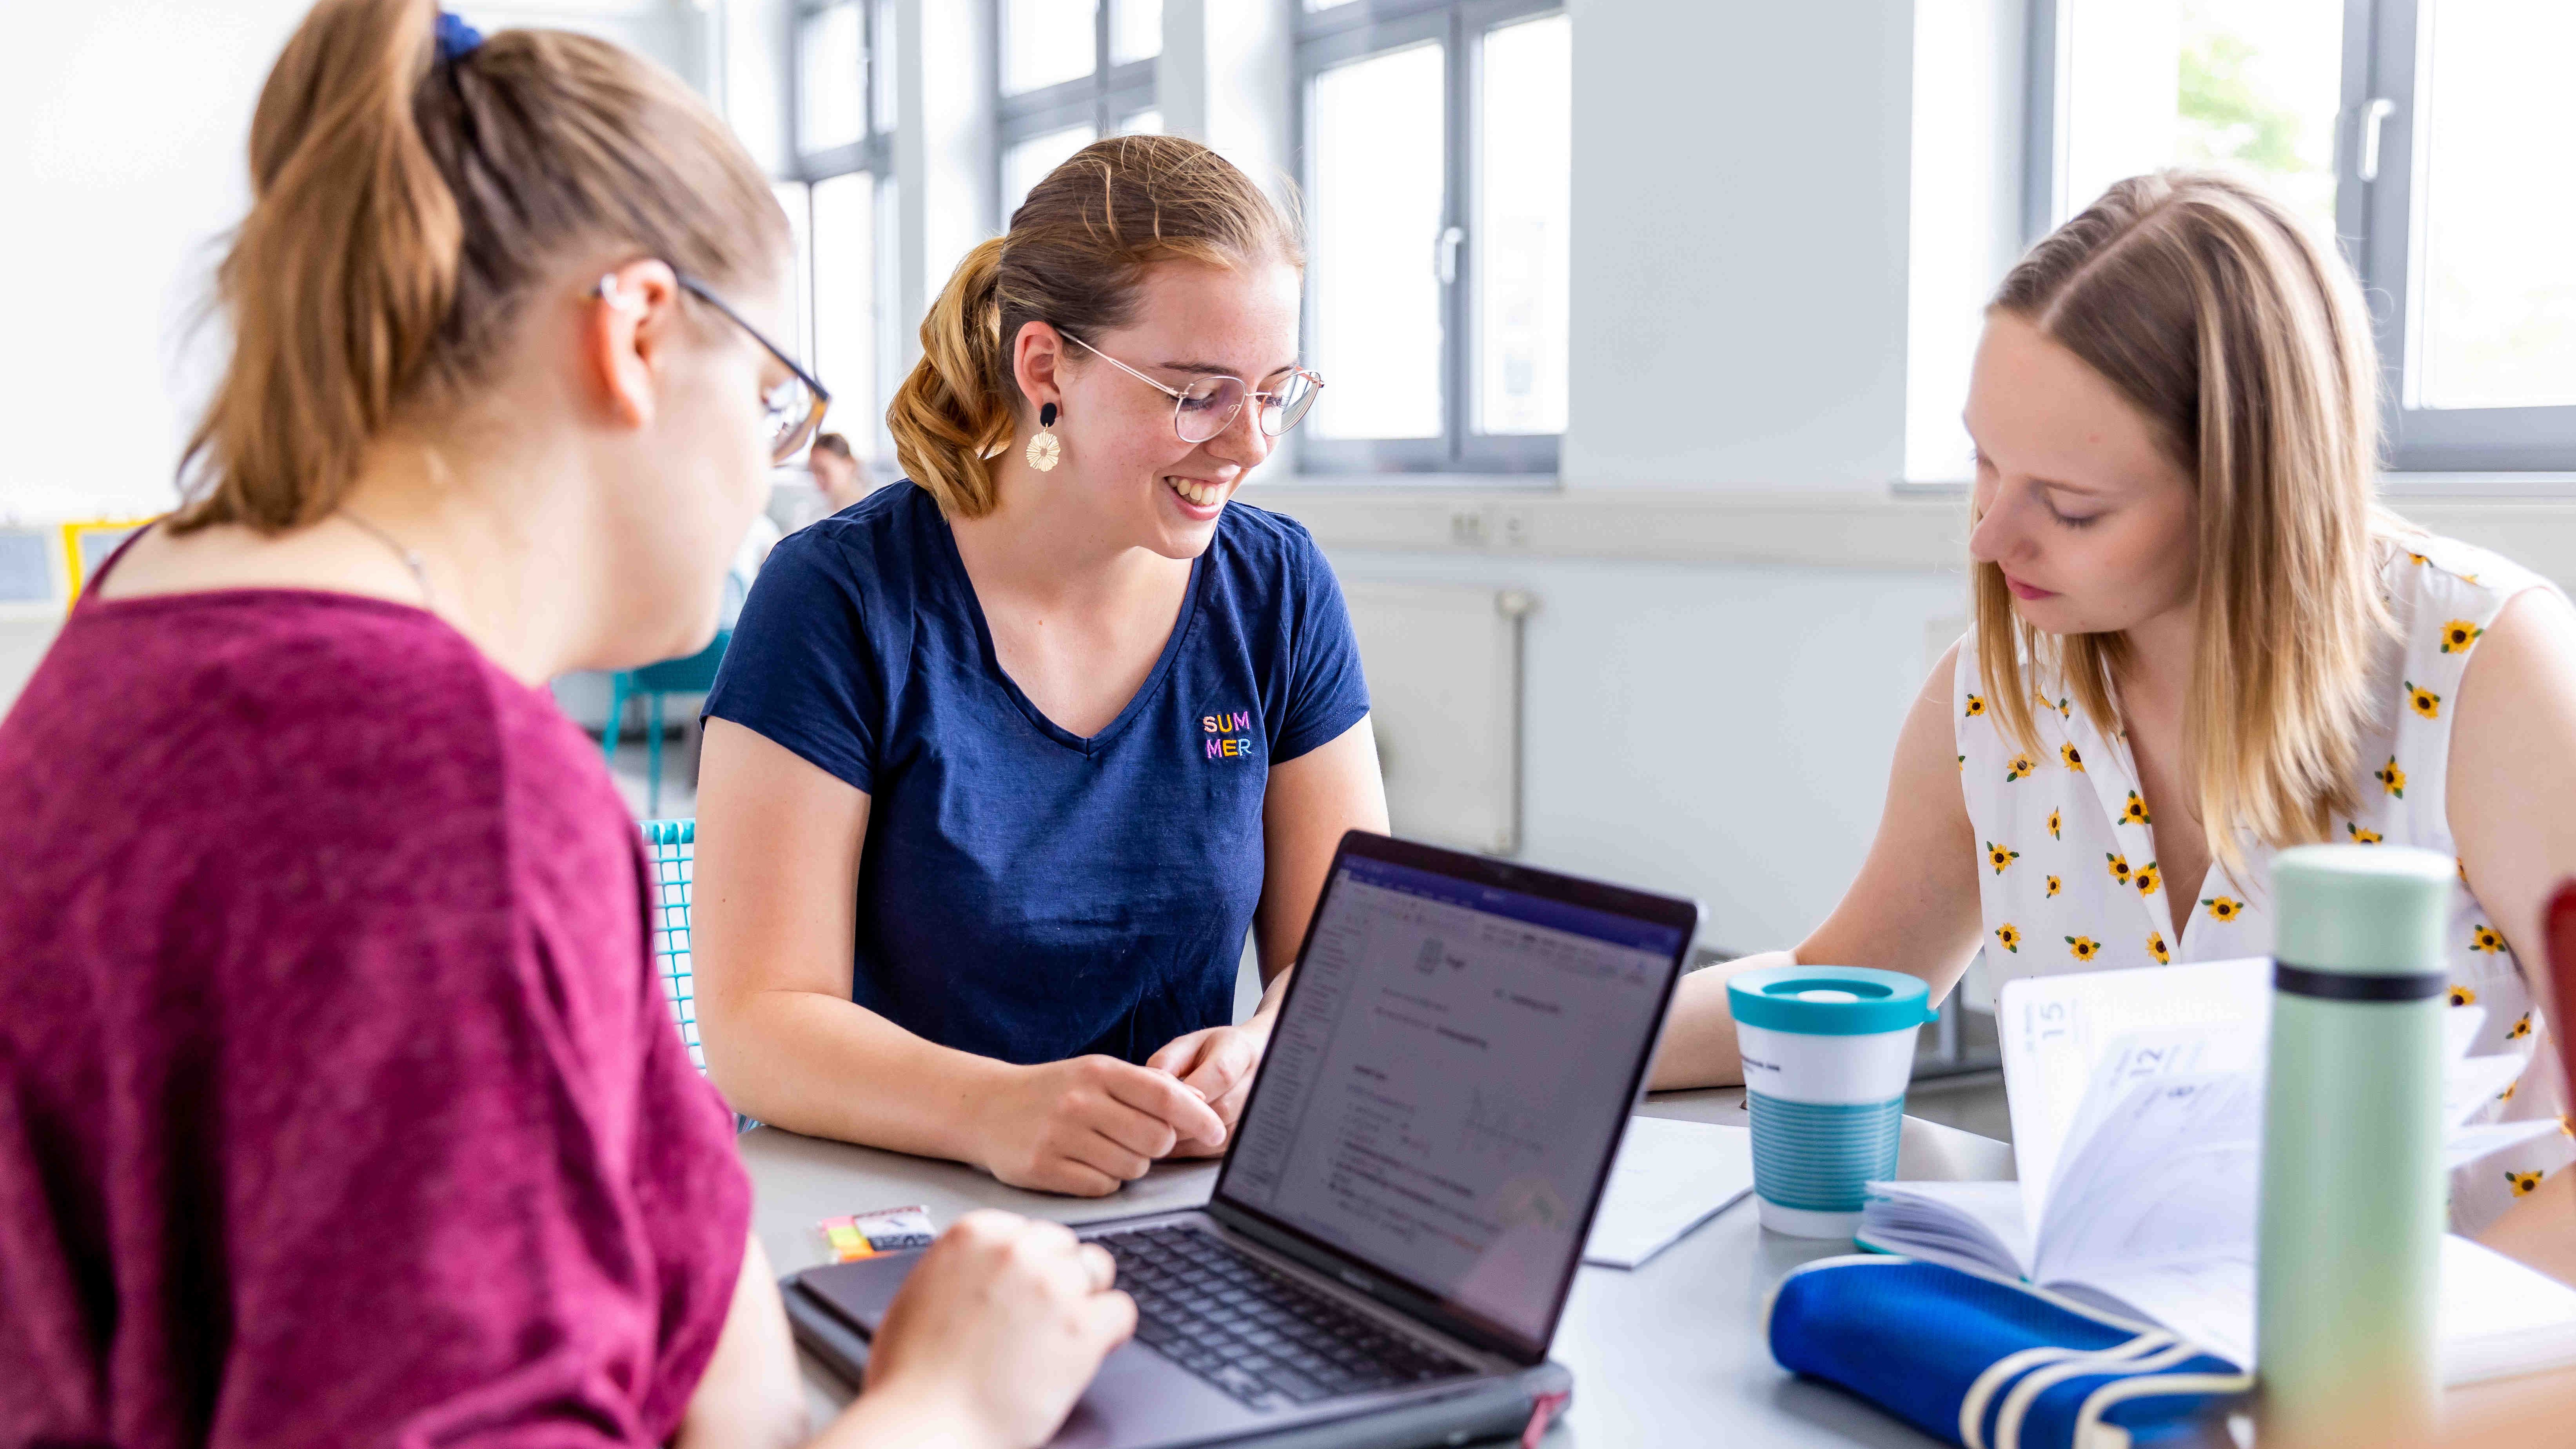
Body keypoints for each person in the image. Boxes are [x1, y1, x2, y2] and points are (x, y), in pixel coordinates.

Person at [0, 4, 1131, 1446]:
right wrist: (949, 1405)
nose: (774, 473)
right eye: (775, 399)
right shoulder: (435, 783)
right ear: (641, 330)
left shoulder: (151, 614)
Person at [1649, 170, 2576, 1234]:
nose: (1990, 539)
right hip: (2119, 1326)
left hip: (2454, 1359)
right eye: (1985, 464)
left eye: (2073, 507)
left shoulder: (2481, 667)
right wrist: (1549, 1038)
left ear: (2250, 496)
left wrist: (2405, 1386)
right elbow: (1841, 980)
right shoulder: (1998, 692)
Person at [691, 135, 1388, 1197]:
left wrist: (1265, 1048)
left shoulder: (1277, 588)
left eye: (1274, 391)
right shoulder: (839, 597)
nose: (1249, 444)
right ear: (1045, 367)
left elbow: (1351, 950)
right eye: (1198, 392)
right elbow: (758, 1027)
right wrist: (992, 1108)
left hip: (1169, 1195)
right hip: (895, 1193)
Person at [808, 429, 873, 513]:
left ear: (850, 464)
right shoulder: (814, 515)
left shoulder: (875, 509)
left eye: (823, 471)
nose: (817, 480)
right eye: (814, 472)